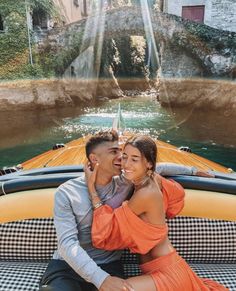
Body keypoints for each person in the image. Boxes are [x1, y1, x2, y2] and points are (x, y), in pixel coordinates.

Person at [39, 130, 214, 291]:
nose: (122, 160)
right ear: (94, 159)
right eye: (115, 152)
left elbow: (154, 167)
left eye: (121, 153)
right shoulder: (66, 192)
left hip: (109, 265)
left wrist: (193, 170)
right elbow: (67, 245)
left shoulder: (129, 182)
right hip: (67, 266)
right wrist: (101, 279)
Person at [86, 135, 228, 291]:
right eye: (124, 157)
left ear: (148, 164)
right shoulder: (152, 178)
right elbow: (163, 168)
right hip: (159, 269)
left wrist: (92, 188)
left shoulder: (145, 194)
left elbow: (109, 232)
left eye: (134, 159)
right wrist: (193, 170)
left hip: (168, 274)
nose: (126, 164)